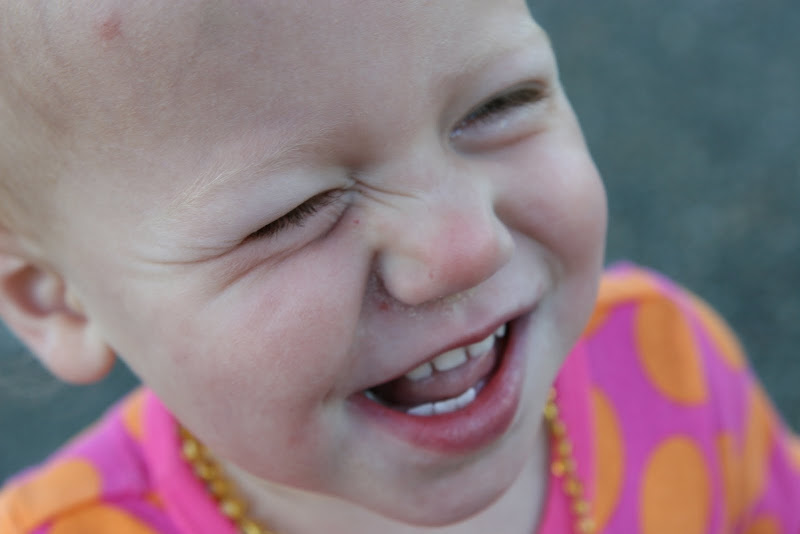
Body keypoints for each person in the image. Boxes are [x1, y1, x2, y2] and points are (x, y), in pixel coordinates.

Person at [0, 1, 797, 533]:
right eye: (293, 213)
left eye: (499, 104)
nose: (466, 247)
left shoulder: (667, 366)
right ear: (56, 300)